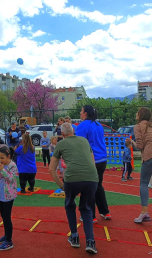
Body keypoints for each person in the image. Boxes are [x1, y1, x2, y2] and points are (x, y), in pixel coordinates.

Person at [49, 123, 98, 254]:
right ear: (74, 131)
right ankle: (90, 242)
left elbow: (51, 169)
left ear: (62, 134)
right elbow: (92, 161)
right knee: (86, 208)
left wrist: (61, 186)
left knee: (70, 204)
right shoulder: (84, 141)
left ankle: (75, 237)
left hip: (72, 179)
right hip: (92, 178)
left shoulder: (60, 144)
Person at [76, 105, 111, 223]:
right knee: (98, 185)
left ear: (85, 113)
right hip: (102, 159)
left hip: (91, 160)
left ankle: (90, 215)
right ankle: (105, 211)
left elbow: (80, 144)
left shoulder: (83, 126)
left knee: (88, 188)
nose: (80, 113)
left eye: (81, 111)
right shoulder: (98, 125)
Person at [0, 146, 18, 251]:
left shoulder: (12, 166)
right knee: (3, 216)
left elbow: (11, 179)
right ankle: (6, 235)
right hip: (0, 194)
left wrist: (2, 169)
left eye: (2, 158)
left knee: (7, 218)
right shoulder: (0, 165)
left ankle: (9, 241)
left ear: (9, 156)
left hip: (9, 196)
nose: (0, 160)